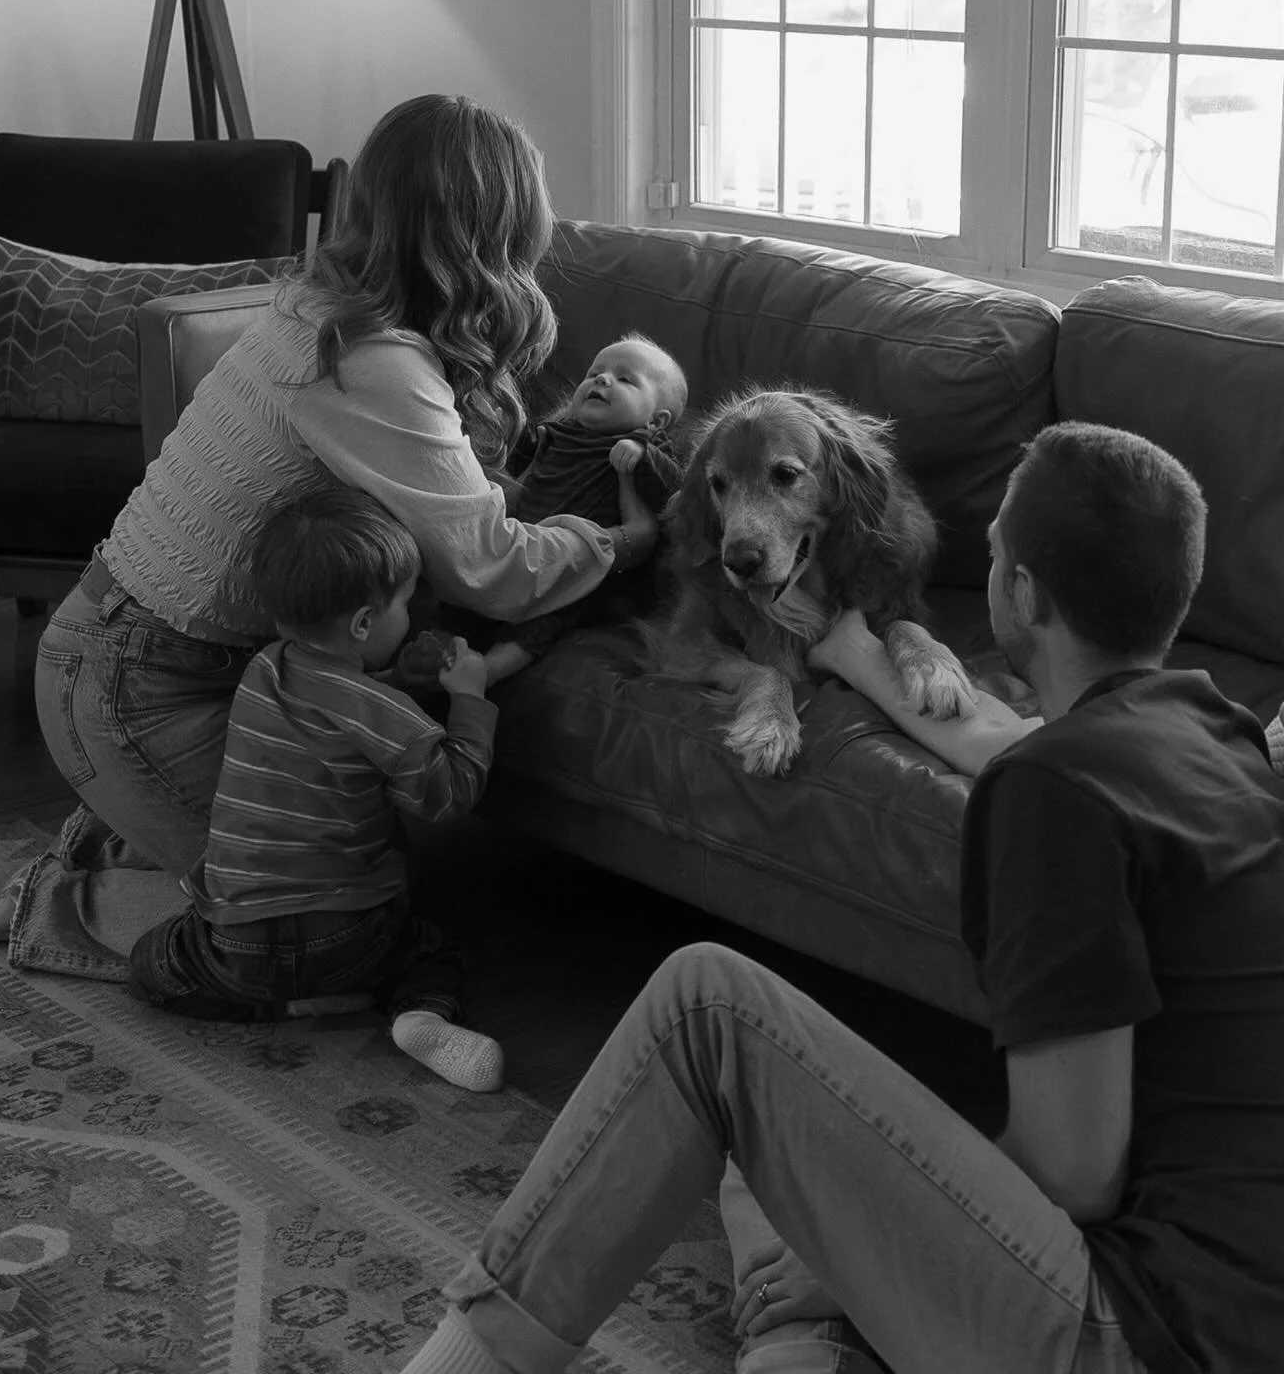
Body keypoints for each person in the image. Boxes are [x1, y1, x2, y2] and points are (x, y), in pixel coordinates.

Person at [388, 421, 1284, 1374]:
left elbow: (1078, 1173)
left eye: (990, 558)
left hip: (1146, 1333)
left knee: (709, 1014)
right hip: (1231, 1298)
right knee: (765, 1145)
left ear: (1020, 592)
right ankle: (810, 1353)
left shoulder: (1057, 792)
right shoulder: (1216, 735)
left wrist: (847, 1265)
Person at [0, 94, 659, 981]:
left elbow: (455, 509)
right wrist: (621, 540)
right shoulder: (371, 362)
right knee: (308, 932)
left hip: (145, 658)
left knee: (343, 886)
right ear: (491, 231)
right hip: (134, 685)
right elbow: (493, 571)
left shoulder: (326, 307)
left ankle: (115, 847)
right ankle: (61, 902)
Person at [127, 486, 507, 1094]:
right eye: (405, 605)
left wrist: (391, 676)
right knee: (433, 950)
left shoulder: (261, 673)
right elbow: (448, 792)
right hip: (352, 933)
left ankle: (281, 1007)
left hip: (237, 938)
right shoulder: (387, 714)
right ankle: (420, 1016)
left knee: (153, 966)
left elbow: (333, 697)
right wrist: (470, 698)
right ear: (364, 622)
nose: (410, 617)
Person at [404, 333, 686, 688]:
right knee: (461, 601)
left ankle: (487, 672)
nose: (601, 379)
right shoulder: (559, 432)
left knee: (546, 619)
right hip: (523, 540)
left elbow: (673, 491)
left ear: (656, 421)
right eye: (594, 373)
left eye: (625, 379)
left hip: (581, 566)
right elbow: (522, 479)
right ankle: (428, 657)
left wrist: (643, 454)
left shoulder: (644, 445)